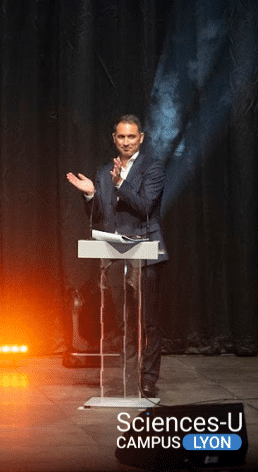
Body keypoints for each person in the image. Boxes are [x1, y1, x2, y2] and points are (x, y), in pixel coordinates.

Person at [66, 114, 167, 398]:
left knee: (147, 321)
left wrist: (121, 183)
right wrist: (90, 196)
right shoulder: (103, 172)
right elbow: (100, 215)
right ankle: (129, 373)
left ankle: (148, 377)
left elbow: (146, 205)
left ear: (141, 138)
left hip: (145, 252)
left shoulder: (152, 169)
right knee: (125, 321)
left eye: (131, 137)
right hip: (115, 254)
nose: (126, 142)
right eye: (121, 137)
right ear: (114, 138)